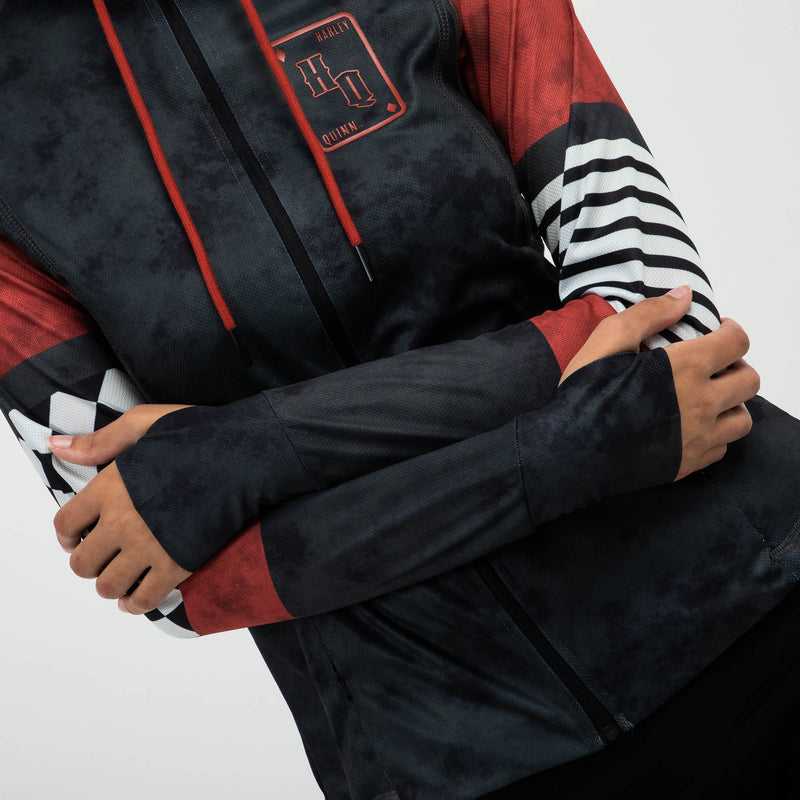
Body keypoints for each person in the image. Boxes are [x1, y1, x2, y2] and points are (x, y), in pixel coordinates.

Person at [0, 2, 797, 798]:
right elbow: (168, 576)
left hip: (753, 590)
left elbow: (658, 315)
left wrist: (256, 449)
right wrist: (573, 449)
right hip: (439, 756)